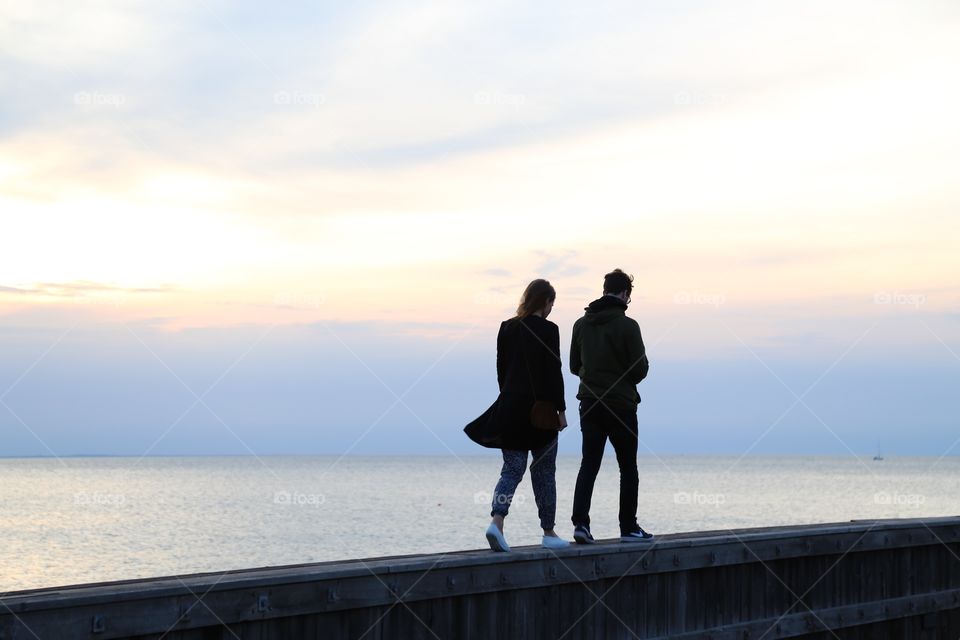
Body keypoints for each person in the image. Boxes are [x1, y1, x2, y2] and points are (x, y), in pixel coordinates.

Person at [464, 279, 570, 551]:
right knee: (544, 471)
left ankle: (496, 522)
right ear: (545, 302)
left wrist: (509, 397)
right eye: (551, 305)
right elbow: (553, 372)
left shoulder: (507, 328)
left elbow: (501, 369)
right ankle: (548, 532)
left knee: (512, 469)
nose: (550, 310)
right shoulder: (549, 330)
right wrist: (561, 410)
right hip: (540, 413)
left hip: (510, 409)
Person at [569, 268, 653, 544]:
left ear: (604, 289)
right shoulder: (629, 326)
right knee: (627, 467)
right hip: (621, 405)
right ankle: (628, 527)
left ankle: (581, 524)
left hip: (590, 403)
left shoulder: (581, 324)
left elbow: (573, 366)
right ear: (625, 294)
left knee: (589, 463)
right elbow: (639, 370)